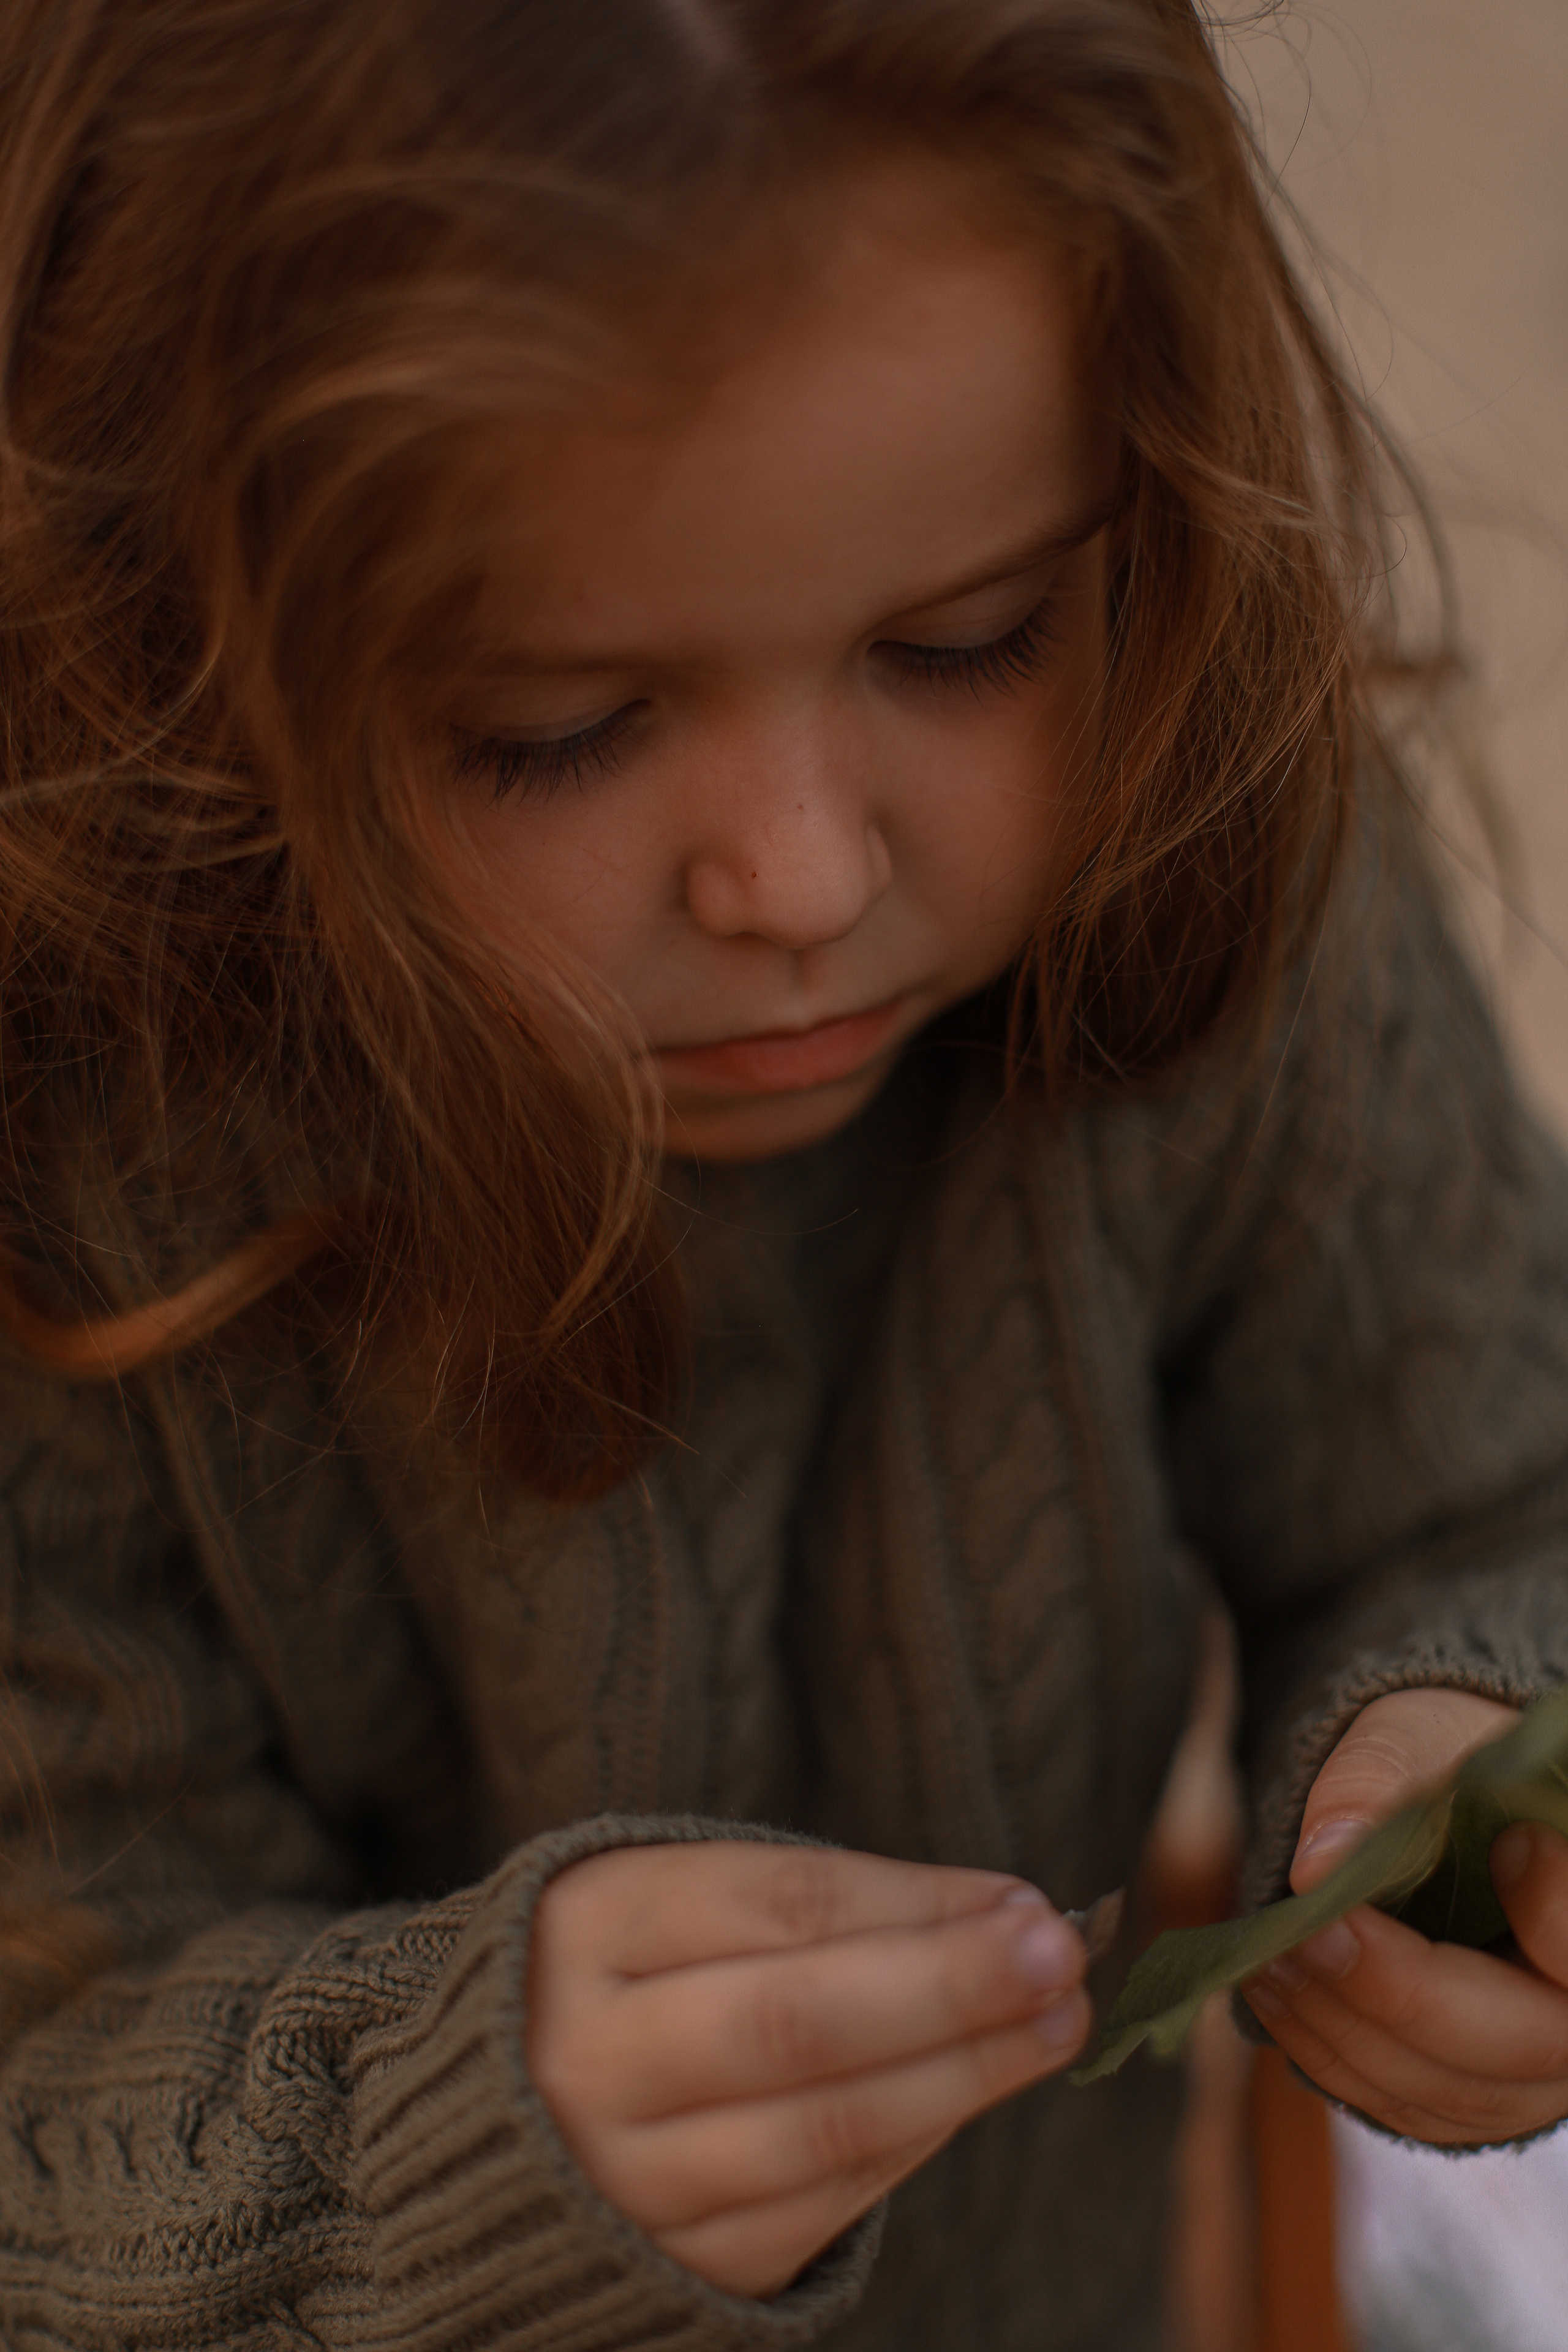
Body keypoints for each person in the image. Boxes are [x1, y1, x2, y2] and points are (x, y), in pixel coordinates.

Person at [2, 1, 1566, 2343]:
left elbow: (1493, 1500)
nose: (805, 875)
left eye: (969, 641)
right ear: (154, 650)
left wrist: (1476, 1785)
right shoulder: (68, 1156)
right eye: (558, 727)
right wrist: (439, 2134)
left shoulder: (1213, 846)